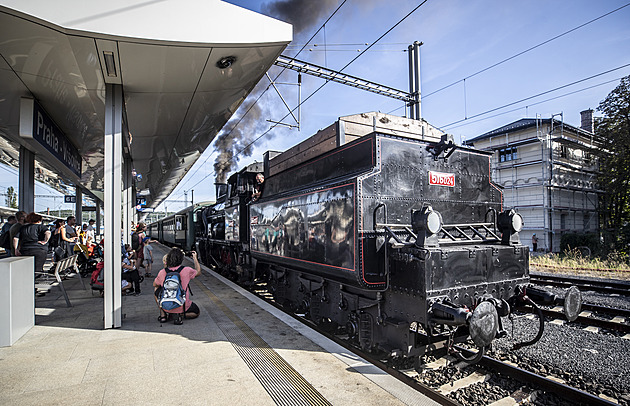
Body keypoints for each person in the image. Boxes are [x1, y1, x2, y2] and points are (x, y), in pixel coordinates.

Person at [153, 248, 201, 325]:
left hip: (166, 307)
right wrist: (195, 258)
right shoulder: (186, 270)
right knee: (196, 312)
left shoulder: (162, 272)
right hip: (182, 306)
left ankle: (163, 314)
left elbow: (154, 284)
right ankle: (180, 314)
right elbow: (198, 272)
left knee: (156, 289)